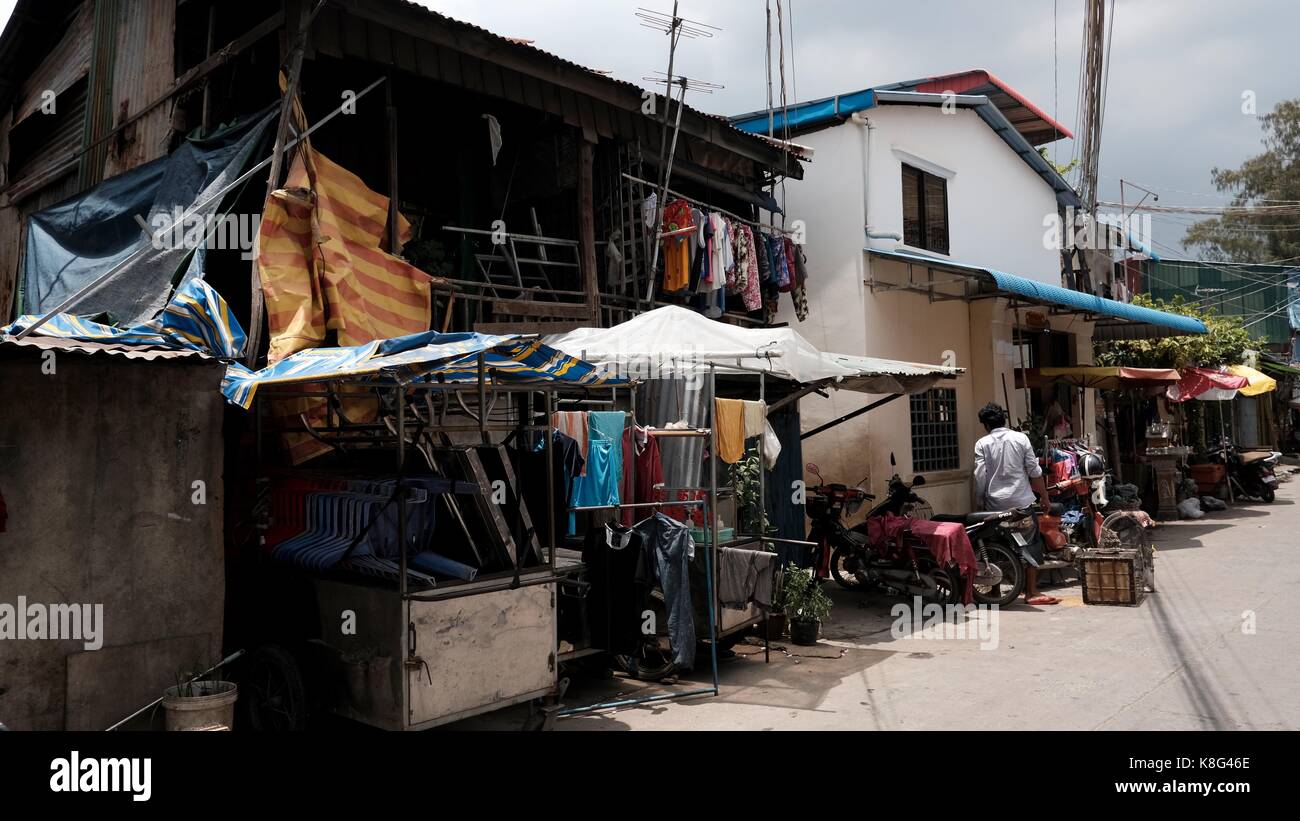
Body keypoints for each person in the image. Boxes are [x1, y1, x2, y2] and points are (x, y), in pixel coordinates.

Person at [973, 402, 1058, 606]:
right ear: (1004, 420)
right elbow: (1034, 471)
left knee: (995, 547)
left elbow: (980, 477)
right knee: (1031, 545)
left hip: (995, 506)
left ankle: (994, 590)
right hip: (1021, 504)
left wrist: (979, 503)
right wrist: (1045, 498)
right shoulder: (1021, 438)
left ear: (985, 425)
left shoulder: (982, 443)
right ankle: (1031, 592)